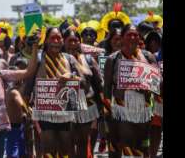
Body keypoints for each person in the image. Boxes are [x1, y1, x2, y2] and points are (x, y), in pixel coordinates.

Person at [31, 27, 88, 157]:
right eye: (53, 38)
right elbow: (29, 82)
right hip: (45, 112)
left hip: (66, 111)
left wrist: (71, 76)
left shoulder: (69, 59)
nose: (56, 41)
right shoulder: (39, 58)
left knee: (66, 148)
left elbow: (84, 83)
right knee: (48, 148)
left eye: (59, 38)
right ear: (46, 41)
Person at [103, 24, 158, 158]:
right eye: (129, 35)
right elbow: (106, 89)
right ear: (122, 38)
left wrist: (146, 85)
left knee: (140, 147)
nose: (133, 38)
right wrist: (107, 115)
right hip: (120, 111)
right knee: (120, 146)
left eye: (135, 35)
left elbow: (157, 82)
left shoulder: (148, 57)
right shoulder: (113, 59)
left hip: (142, 111)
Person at [62, 29, 104, 158]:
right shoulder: (57, 59)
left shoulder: (88, 59)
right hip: (64, 107)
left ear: (80, 43)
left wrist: (104, 107)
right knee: (68, 143)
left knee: (83, 142)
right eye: (70, 41)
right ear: (64, 42)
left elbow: (99, 84)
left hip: (87, 106)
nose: (73, 44)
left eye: (76, 41)